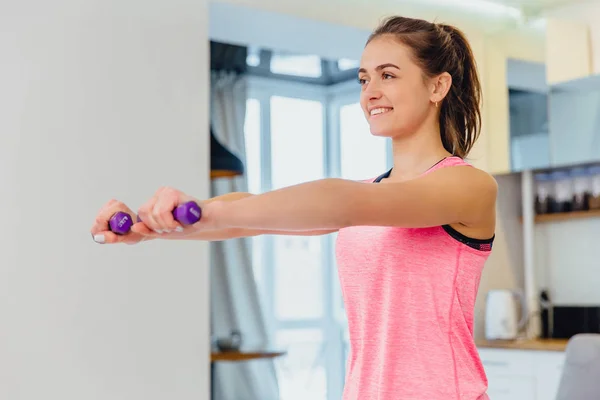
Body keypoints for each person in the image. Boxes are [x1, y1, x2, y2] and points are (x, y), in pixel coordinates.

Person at [90, 15, 497, 400]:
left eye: (388, 75)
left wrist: (208, 212)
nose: (370, 91)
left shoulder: (468, 186)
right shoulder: (371, 196)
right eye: (363, 78)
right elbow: (250, 216)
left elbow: (344, 204)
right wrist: (155, 224)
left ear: (437, 87)